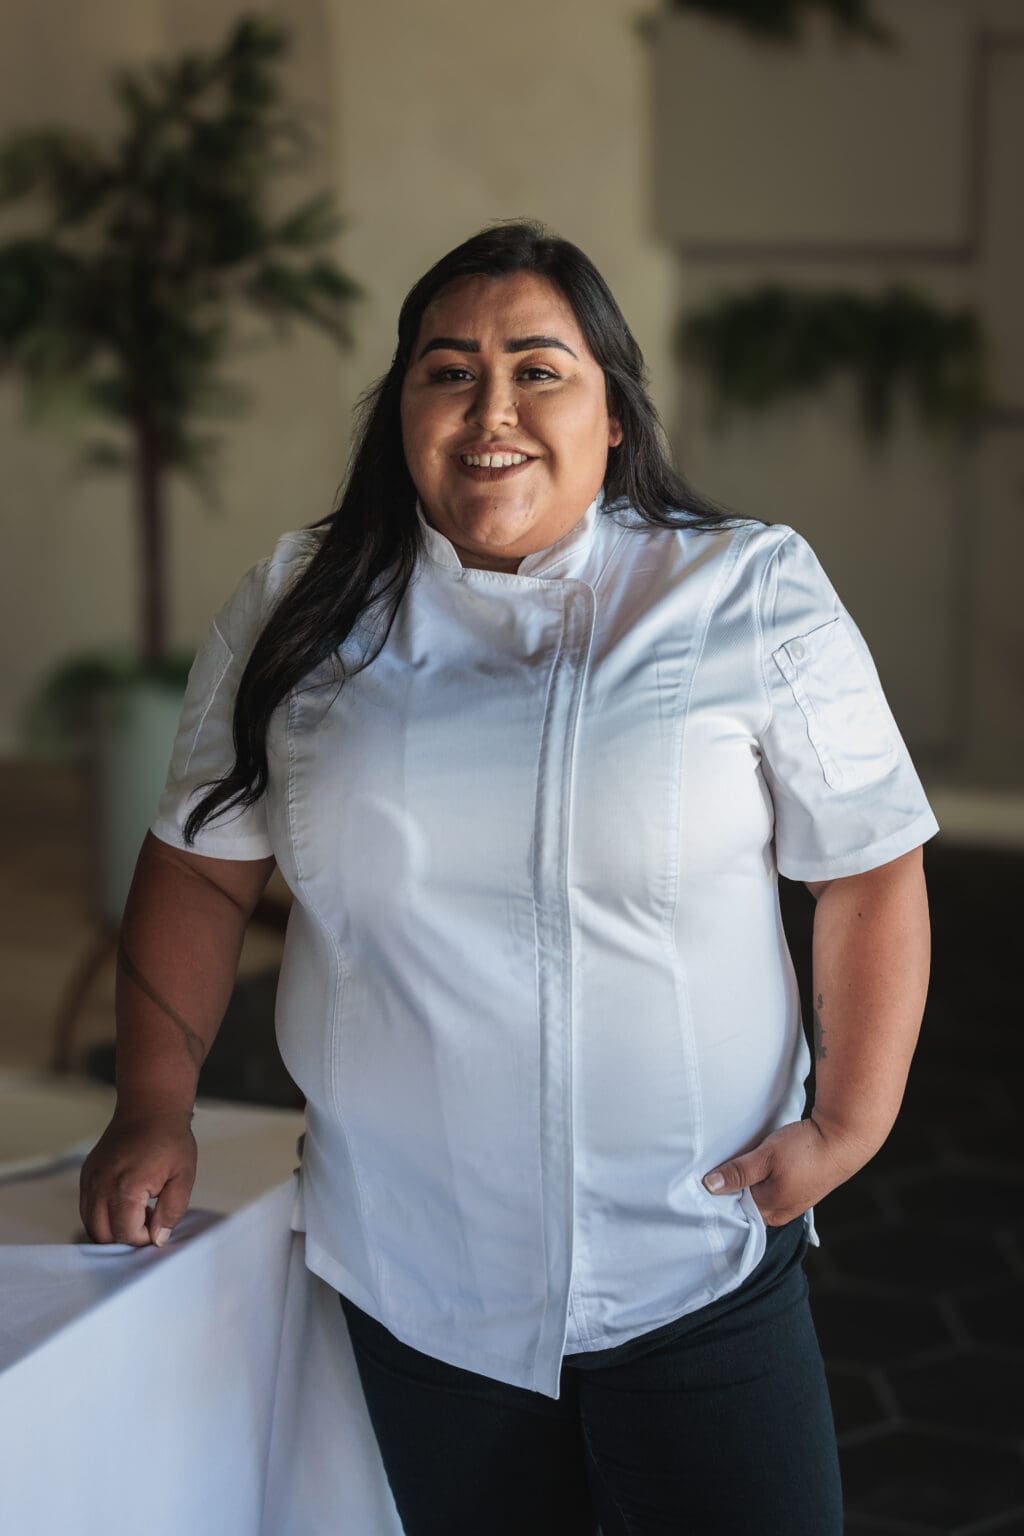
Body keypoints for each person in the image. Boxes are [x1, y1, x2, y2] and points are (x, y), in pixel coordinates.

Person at [79, 220, 936, 1535]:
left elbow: (869, 867)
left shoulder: (746, 589)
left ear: (612, 414)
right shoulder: (297, 607)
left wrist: (854, 1120)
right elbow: (199, 868)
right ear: (402, 411)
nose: (494, 411)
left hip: (697, 1259)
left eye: (541, 369)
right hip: (419, 1282)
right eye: (448, 370)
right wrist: (153, 1098)